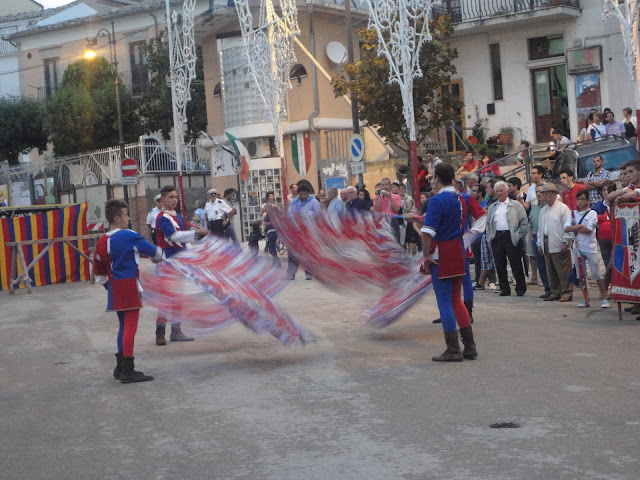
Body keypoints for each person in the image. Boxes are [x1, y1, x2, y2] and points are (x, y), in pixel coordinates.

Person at [94, 199, 163, 383]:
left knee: (123, 326)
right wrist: (160, 256)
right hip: (129, 284)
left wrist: (110, 287)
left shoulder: (101, 241)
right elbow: (154, 252)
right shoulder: (129, 235)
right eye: (125, 214)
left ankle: (121, 367)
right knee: (130, 328)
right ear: (117, 218)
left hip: (114, 286)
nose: (129, 218)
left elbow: (99, 275)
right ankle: (128, 371)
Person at [420, 163, 477, 362]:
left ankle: (453, 349)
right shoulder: (461, 198)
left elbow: (427, 232)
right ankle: (469, 347)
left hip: (442, 254)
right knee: (455, 299)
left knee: (444, 301)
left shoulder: (436, 201)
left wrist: (426, 256)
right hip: (458, 251)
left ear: (437, 178)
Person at [155, 185, 209, 345]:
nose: (174, 199)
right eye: (171, 197)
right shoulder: (161, 218)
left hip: (178, 262)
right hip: (166, 263)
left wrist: (191, 254)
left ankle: (176, 331)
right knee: (166, 299)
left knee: (178, 297)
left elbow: (182, 242)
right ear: (163, 199)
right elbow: (174, 236)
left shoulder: (177, 217)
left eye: (175, 197)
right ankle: (160, 332)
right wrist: (197, 233)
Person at [564, 189, 609, 308]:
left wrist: (574, 228)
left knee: (596, 273)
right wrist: (579, 226)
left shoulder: (592, 213)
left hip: (590, 247)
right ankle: (585, 298)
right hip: (577, 247)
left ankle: (604, 298)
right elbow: (566, 228)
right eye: (578, 199)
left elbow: (589, 230)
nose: (580, 201)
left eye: (582, 199)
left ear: (587, 200)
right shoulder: (572, 213)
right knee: (581, 275)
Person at [486, 181, 529, 296]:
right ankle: (504, 288)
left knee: (516, 263)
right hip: (497, 237)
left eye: (501, 190)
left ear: (506, 191)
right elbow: (488, 223)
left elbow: (524, 222)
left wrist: (518, 235)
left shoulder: (515, 205)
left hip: (511, 236)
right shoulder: (492, 207)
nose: (499, 193)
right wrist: (490, 236)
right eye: (497, 191)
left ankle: (520, 288)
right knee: (499, 264)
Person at [537, 183, 573, 302]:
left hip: (558, 241)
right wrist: (540, 243)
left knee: (563, 269)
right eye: (543, 194)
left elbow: (568, 226)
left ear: (553, 195)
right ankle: (555, 291)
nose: (544, 196)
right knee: (550, 268)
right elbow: (540, 228)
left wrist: (566, 241)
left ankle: (566, 292)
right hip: (546, 240)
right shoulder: (543, 210)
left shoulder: (563, 208)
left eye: (546, 194)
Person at [286, 183, 321, 280]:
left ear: (308, 194)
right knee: (293, 253)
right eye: (300, 194)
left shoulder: (314, 202)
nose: (302, 196)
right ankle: (291, 273)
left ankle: (309, 273)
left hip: (309, 232)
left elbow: (319, 216)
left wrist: (308, 215)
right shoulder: (294, 203)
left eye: (304, 194)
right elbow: (289, 215)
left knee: (308, 253)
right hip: (296, 232)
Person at [529, 183, 551, 298]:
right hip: (536, 239)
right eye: (537, 192)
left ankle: (555, 289)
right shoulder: (534, 208)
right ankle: (547, 289)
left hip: (549, 238)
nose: (539, 194)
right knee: (541, 265)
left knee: (551, 265)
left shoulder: (550, 207)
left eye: (541, 192)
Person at [373, 177, 402, 243]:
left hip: (393, 220)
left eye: (386, 184)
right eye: (383, 185)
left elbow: (397, 209)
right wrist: (377, 197)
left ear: (390, 186)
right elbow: (377, 210)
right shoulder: (376, 197)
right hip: (382, 220)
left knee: (395, 241)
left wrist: (390, 198)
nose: (385, 186)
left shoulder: (397, 197)